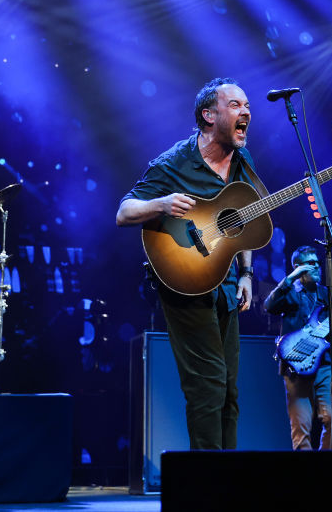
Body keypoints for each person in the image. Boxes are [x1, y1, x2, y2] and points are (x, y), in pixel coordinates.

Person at [116, 77, 257, 450]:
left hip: (227, 282)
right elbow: (124, 212)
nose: (246, 111)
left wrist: (246, 273)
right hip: (184, 279)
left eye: (247, 105)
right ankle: (206, 478)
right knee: (207, 384)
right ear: (209, 115)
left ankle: (228, 475)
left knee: (229, 389)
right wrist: (161, 204)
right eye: (235, 105)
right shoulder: (173, 162)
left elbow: (245, 217)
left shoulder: (243, 161)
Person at [265, 245, 332, 450]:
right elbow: (269, 306)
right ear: (298, 267)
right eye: (311, 263)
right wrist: (290, 278)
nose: (317, 266)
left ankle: (325, 465)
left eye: (318, 263)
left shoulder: (328, 295)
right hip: (296, 368)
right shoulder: (290, 291)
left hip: (325, 366)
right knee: (301, 430)